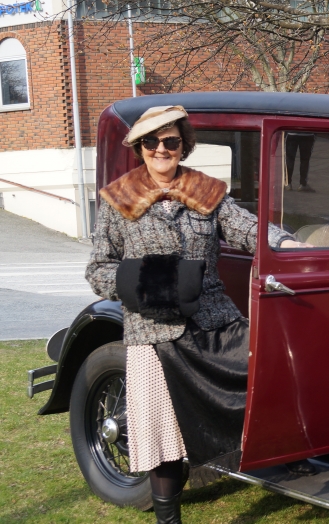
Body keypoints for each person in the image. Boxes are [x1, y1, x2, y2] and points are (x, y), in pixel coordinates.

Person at [85, 105, 310, 524]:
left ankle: (287, 452)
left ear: (184, 145)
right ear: (140, 148)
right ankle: (168, 518)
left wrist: (290, 246)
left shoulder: (206, 192)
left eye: (170, 141)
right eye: (151, 142)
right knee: (163, 435)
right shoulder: (118, 199)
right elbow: (98, 269)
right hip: (153, 334)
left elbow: (248, 229)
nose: (161, 150)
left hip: (215, 322)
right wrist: (149, 283)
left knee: (275, 370)